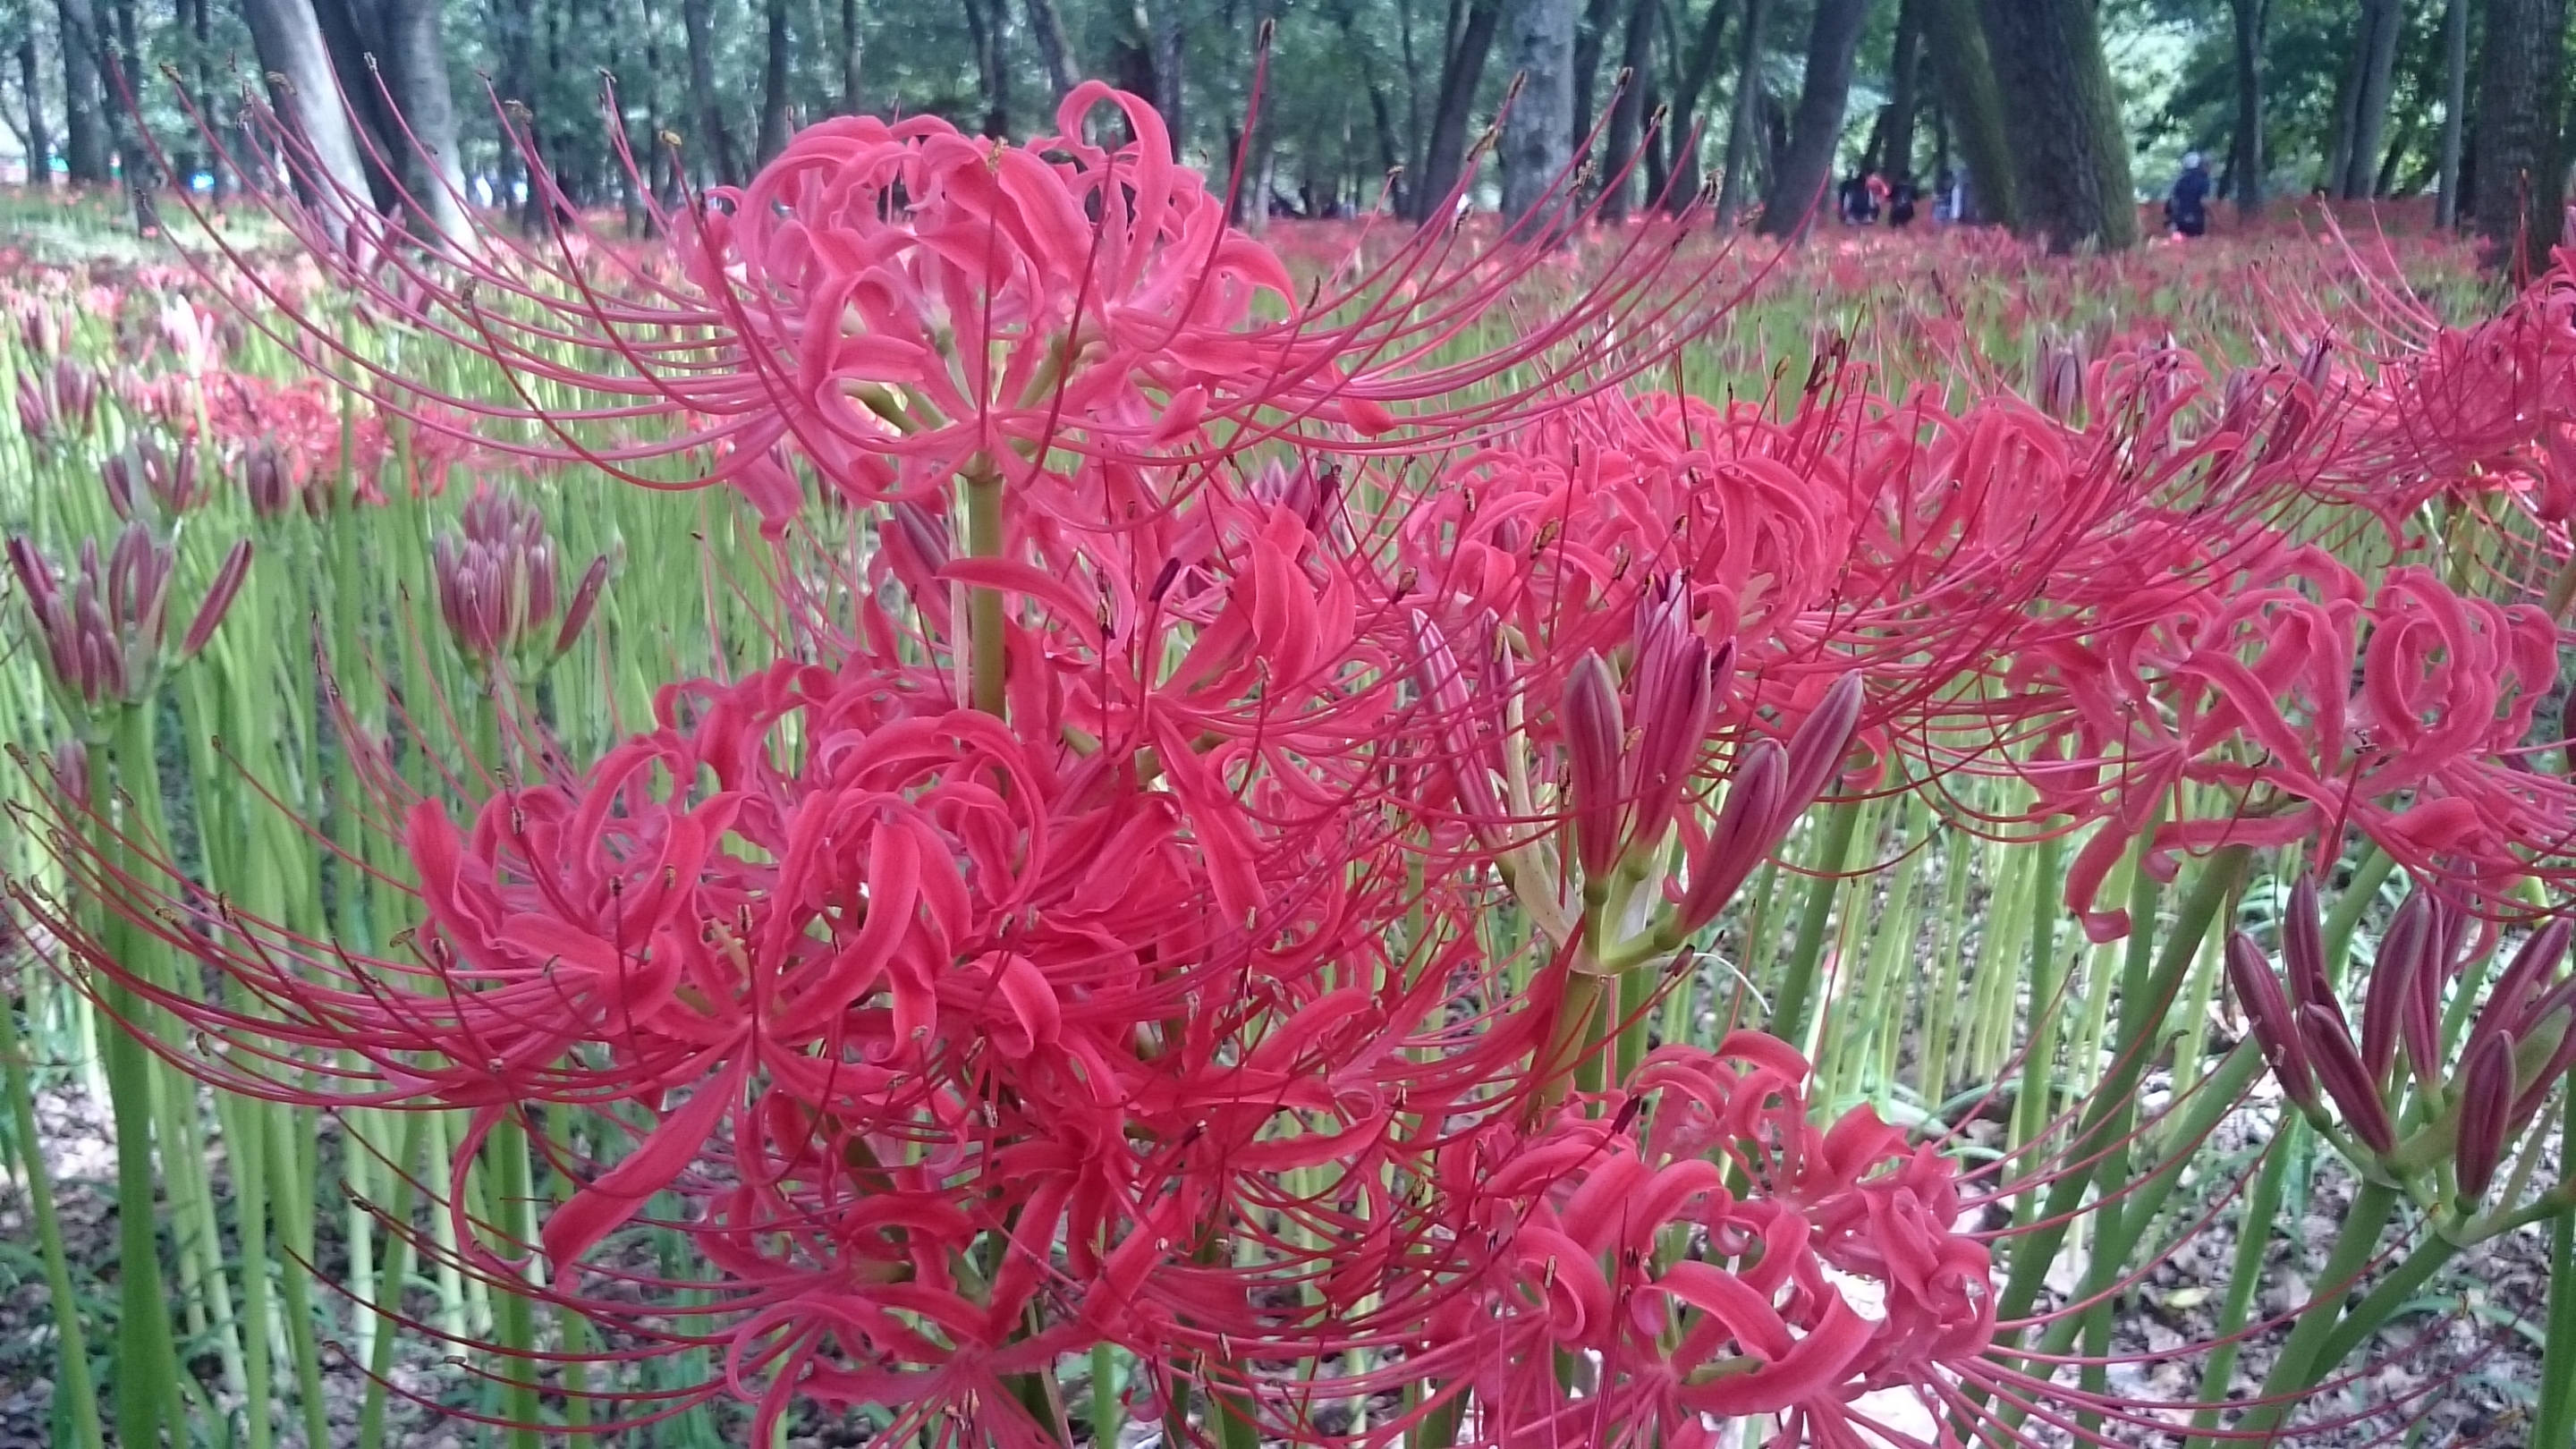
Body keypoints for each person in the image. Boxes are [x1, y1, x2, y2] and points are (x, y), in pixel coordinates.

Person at [2166, 151, 2211, 238]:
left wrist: (2174, 217)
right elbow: (2203, 201)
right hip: (2196, 220)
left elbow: (2173, 201)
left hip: (2180, 220)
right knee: (2196, 245)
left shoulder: (2180, 180)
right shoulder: (2203, 179)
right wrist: (2212, 215)